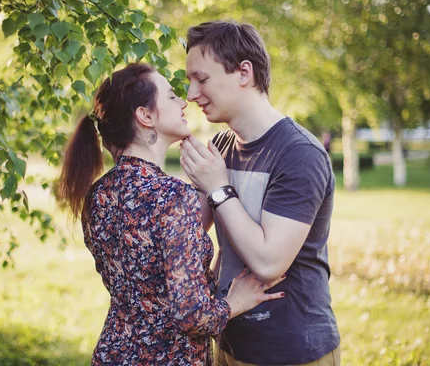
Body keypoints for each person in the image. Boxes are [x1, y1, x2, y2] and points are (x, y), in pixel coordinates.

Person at [56, 63, 286, 365]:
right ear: (146, 115)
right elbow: (193, 317)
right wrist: (234, 303)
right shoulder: (172, 197)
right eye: (172, 96)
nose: (184, 101)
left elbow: (149, 282)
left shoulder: (97, 195)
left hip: (112, 353)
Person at [180, 21, 341, 365]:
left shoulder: (299, 154)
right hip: (228, 341)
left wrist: (219, 189)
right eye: (189, 82)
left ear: (244, 73)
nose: (192, 95)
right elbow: (185, 233)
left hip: (290, 350)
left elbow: (269, 262)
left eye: (202, 79)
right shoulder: (221, 145)